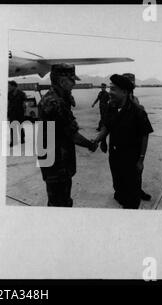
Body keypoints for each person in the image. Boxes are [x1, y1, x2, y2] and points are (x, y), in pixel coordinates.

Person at [38, 63, 98, 207]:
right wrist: (91, 144)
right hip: (57, 163)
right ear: (62, 81)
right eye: (72, 81)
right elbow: (73, 135)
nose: (74, 84)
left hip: (52, 158)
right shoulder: (56, 102)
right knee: (61, 202)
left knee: (56, 199)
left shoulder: (54, 97)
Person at [94, 74, 153, 209]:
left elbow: (145, 135)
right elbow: (107, 126)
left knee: (131, 196)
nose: (110, 92)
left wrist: (141, 160)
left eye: (113, 89)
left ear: (124, 92)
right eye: (110, 88)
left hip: (131, 159)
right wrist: (98, 140)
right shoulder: (111, 106)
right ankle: (120, 195)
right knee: (118, 184)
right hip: (114, 156)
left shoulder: (138, 111)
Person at [122, 73, 152, 201]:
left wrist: (141, 157)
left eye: (132, 82)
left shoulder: (136, 101)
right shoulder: (117, 101)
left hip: (135, 143)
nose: (131, 85)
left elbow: (144, 131)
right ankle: (123, 192)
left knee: (137, 170)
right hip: (122, 143)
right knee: (123, 170)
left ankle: (137, 191)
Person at [91, 83, 110, 152]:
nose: (102, 88)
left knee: (104, 118)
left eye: (104, 87)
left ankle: (101, 128)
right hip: (101, 107)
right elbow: (97, 99)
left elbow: (110, 100)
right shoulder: (100, 93)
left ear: (105, 87)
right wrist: (93, 103)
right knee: (102, 117)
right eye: (102, 87)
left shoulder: (107, 94)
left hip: (105, 107)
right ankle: (101, 127)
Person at [7, 80, 26, 146]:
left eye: (9, 86)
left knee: (20, 126)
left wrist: (24, 112)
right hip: (12, 113)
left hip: (20, 112)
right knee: (12, 127)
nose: (8, 87)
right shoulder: (8, 94)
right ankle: (13, 141)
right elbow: (8, 103)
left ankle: (22, 138)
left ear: (14, 86)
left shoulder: (21, 93)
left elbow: (24, 104)